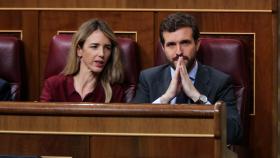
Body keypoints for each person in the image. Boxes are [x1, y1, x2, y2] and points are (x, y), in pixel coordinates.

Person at [132, 13, 242, 144]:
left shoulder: (220, 82)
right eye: (171, 44)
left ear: (197, 44)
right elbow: (131, 127)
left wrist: (197, 97)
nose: (178, 51)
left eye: (185, 43)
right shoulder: (148, 78)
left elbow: (234, 134)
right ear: (163, 48)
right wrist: (166, 98)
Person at [40, 19, 124, 103]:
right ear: (79, 50)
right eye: (94, 46)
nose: (102, 54)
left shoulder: (115, 92)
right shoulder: (54, 85)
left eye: (107, 48)